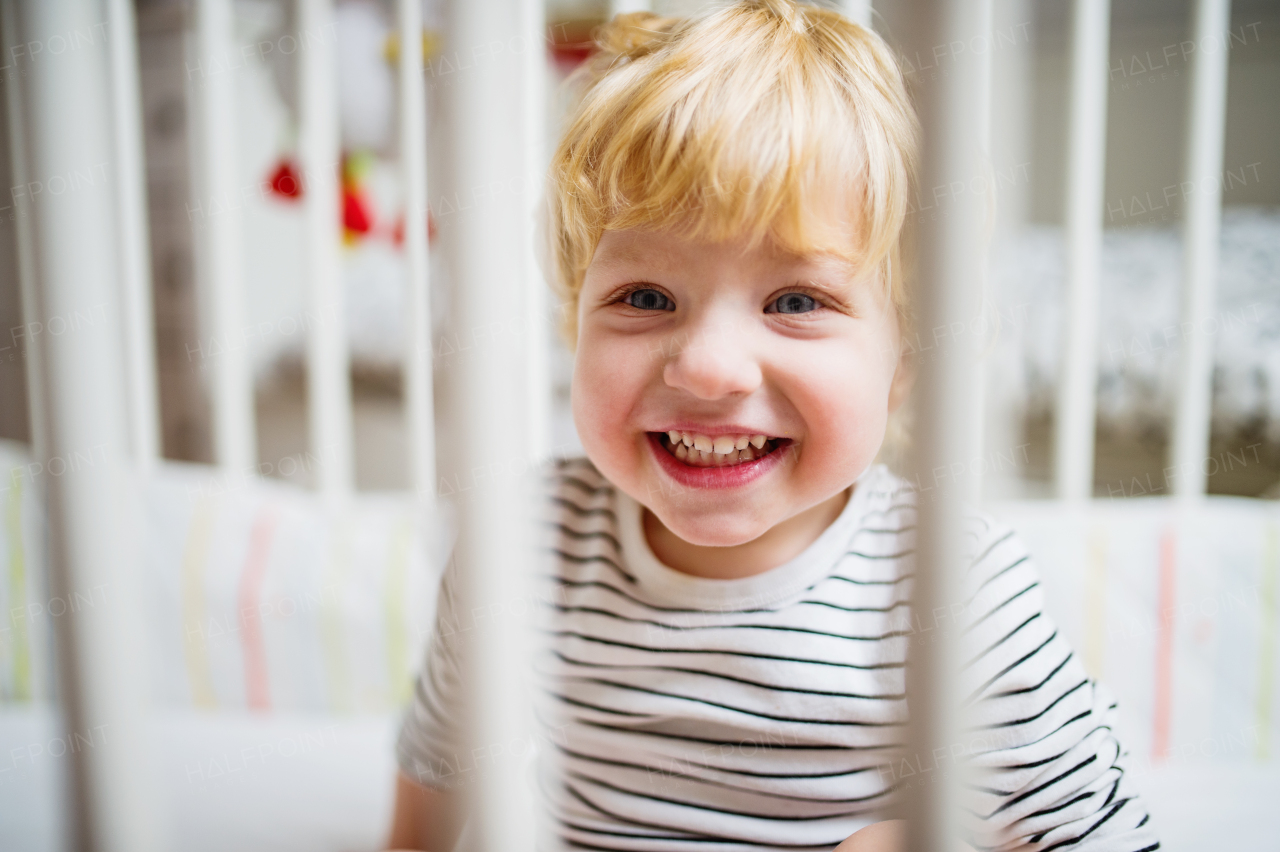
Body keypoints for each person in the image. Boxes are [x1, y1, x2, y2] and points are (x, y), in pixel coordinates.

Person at [386, 2, 1159, 850]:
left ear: (908, 357)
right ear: (576, 322)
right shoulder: (524, 546)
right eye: (644, 298)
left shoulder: (953, 589)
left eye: (796, 301)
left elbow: (1103, 832)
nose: (709, 366)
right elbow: (444, 757)